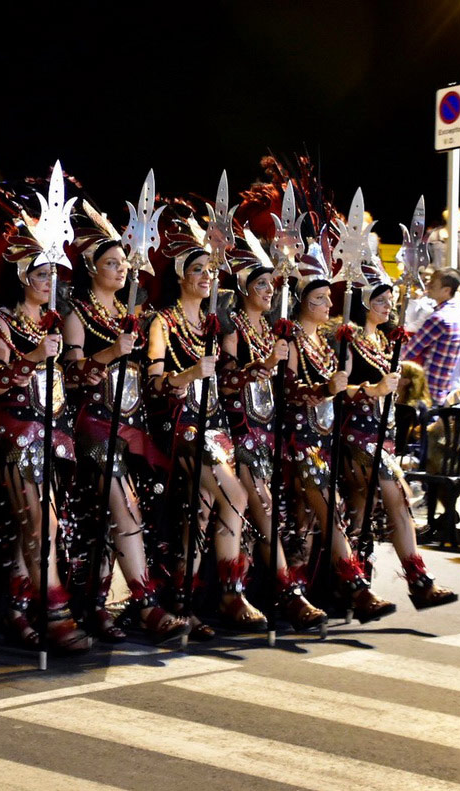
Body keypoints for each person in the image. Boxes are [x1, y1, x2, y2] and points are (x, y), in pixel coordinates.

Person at [62, 229, 188, 644]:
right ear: (92, 268)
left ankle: (98, 603)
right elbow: (72, 374)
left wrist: (174, 386)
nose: (121, 270)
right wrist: (112, 352)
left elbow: (150, 379)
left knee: (114, 515)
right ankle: (146, 603)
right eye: (111, 263)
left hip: (134, 428)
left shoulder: (133, 315)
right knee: (124, 508)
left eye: (123, 263)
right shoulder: (78, 314)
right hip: (96, 423)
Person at [147, 239, 267, 635]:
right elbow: (155, 382)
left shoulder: (213, 324)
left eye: (210, 270)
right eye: (197, 269)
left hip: (217, 426)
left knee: (198, 514)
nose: (206, 276)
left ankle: (184, 602)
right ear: (181, 276)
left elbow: (228, 381)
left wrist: (259, 368)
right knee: (235, 495)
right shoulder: (163, 322)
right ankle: (232, 592)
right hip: (182, 426)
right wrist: (189, 374)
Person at [0, 247, 91, 654]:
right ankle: (55, 612)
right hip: (18, 437)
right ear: (22, 276)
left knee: (33, 529)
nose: (50, 282)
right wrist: (33, 357)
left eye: (54, 274)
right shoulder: (1, 322)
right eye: (43, 274)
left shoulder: (54, 321)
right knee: (43, 526)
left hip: (55, 438)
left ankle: (15, 610)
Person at [282, 266, 395, 622]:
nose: (329, 304)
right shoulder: (292, 339)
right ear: (302, 303)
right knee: (322, 512)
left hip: (326, 438)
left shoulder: (325, 344)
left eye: (329, 297)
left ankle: (307, 592)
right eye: (320, 298)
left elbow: (341, 392)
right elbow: (289, 390)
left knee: (312, 519)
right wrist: (325, 389)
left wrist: (355, 390)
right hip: (299, 439)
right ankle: (354, 586)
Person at [220, 260, 326, 631]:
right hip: (240, 431)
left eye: (271, 285)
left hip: (271, 435)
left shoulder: (272, 330)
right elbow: (227, 380)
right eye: (261, 284)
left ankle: (287, 588)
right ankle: (283, 592)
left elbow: (289, 389)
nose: (269, 291)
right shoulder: (233, 328)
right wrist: (263, 364)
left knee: (278, 513)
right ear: (244, 288)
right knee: (263, 508)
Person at [340, 278, 457, 609]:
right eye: (380, 301)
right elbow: (338, 386)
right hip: (355, 432)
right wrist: (373, 389)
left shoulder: (384, 341)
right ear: (364, 304)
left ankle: (357, 582)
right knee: (392, 498)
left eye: (390, 301)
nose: (388, 307)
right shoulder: (347, 338)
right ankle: (413, 580)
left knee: (364, 508)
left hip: (382, 433)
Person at [401, 268, 460, 405]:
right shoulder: (459, 313)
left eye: (433, 285)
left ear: (446, 290)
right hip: (445, 389)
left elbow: (408, 352)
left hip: (428, 390)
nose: (428, 286)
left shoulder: (439, 318)